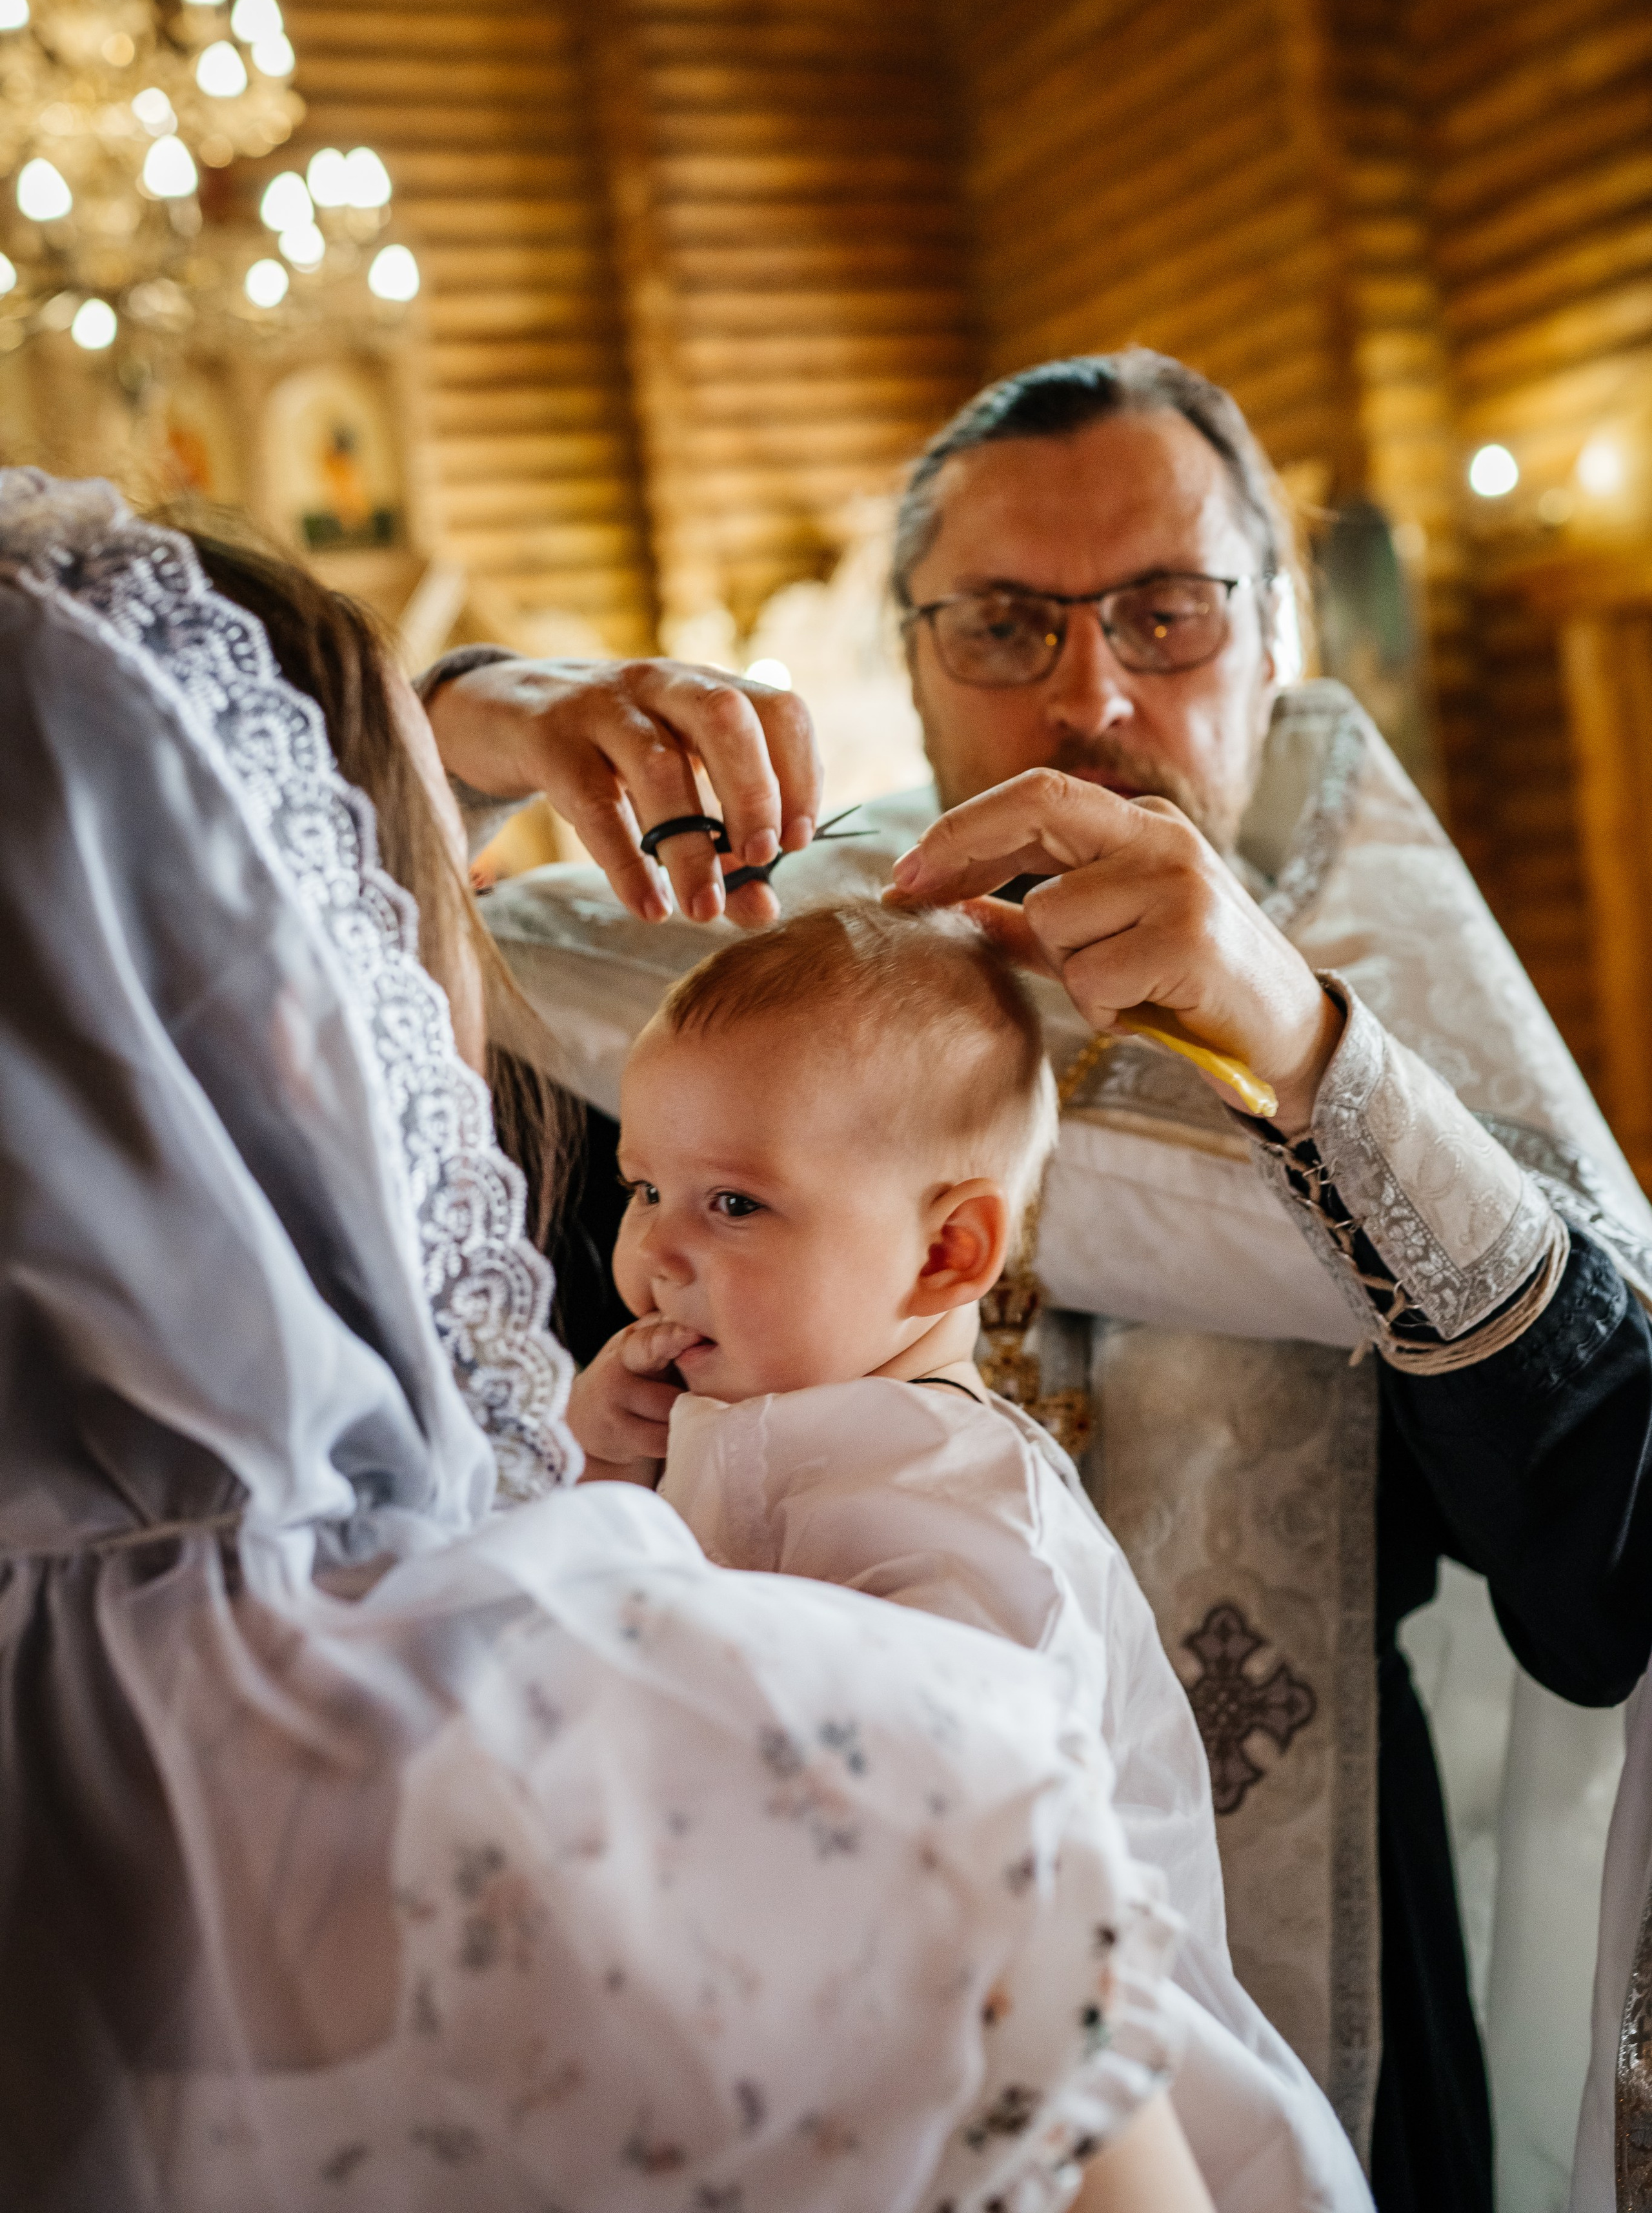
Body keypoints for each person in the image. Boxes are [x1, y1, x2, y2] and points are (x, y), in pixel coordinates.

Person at [422, 350, 1652, 2211]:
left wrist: (1306, 1048)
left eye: (1169, 610)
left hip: (1318, 1985)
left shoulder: (1389, 1030)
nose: (1094, 692)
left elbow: (1610, 1585)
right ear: (915, 663)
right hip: (768, 2029)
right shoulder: (709, 1013)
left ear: (1277, 637)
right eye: (1004, 623)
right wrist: (466, 724)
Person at [0, 470, 1218, 2213]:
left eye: (729, 1207)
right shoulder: (914, 1819)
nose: (651, 1244)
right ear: (318, 1019)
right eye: (427, 889)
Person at [571, 895, 1373, 2213]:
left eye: (733, 1202)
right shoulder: (752, 1409)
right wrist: (600, 1463)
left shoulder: (959, 1484)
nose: (657, 1249)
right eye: (644, 1186)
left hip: (1058, 2073)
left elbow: (961, 1775)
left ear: (947, 1252)